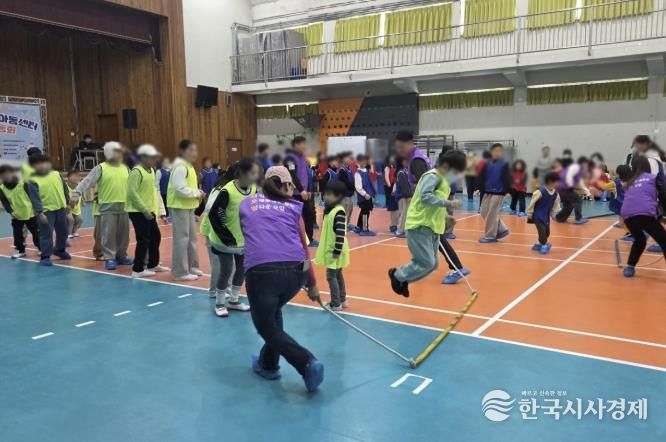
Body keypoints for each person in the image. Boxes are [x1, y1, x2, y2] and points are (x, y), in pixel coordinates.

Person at [239, 166, 324, 392]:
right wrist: (312, 284)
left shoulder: (247, 204)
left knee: (267, 326)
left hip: (262, 272)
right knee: (273, 313)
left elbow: (249, 234)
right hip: (296, 274)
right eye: (291, 186)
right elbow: (304, 250)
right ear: (286, 186)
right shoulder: (294, 208)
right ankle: (268, 364)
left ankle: (306, 363)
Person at [388, 150, 466, 297]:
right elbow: (425, 197)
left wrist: (446, 217)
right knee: (427, 262)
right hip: (419, 225)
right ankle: (398, 275)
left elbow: (435, 205)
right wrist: (449, 203)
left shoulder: (444, 182)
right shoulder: (432, 176)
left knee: (433, 264)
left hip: (433, 228)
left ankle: (404, 279)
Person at [201, 158, 258, 317]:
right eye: (252, 173)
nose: (255, 176)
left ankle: (234, 300)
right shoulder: (227, 191)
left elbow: (255, 212)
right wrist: (227, 237)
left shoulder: (253, 190)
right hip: (223, 238)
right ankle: (219, 304)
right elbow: (215, 214)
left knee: (241, 269)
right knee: (226, 270)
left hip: (242, 238)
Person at [72, 141, 132, 270]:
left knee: (124, 234)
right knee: (108, 234)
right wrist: (76, 193)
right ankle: (109, 257)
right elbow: (87, 182)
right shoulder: (100, 168)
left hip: (125, 206)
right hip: (107, 206)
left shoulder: (125, 168)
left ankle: (121, 255)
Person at [126, 144, 169, 279]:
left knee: (155, 237)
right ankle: (137, 270)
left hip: (149, 211)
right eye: (151, 157)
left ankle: (153, 264)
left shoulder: (151, 171)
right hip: (138, 211)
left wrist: (155, 210)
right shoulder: (136, 172)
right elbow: (132, 193)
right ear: (143, 157)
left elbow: (152, 192)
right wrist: (144, 210)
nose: (154, 160)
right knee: (143, 240)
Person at [620, 156, 666, 277]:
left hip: (627, 216)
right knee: (664, 241)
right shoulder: (653, 178)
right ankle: (630, 267)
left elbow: (636, 199)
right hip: (645, 214)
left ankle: (629, 268)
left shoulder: (629, 182)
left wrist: (658, 216)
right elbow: (663, 196)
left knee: (639, 240)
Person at [167, 139, 205, 281]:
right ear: (183, 152)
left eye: (195, 150)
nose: (195, 153)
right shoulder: (180, 167)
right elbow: (179, 189)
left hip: (188, 206)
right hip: (179, 207)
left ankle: (192, 266)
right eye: (191, 150)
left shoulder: (189, 166)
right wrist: (197, 193)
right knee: (181, 239)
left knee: (192, 238)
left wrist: (197, 193)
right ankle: (180, 271)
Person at [28, 155, 71, 266]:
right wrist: (40, 213)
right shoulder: (32, 180)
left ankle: (60, 250)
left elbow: (64, 188)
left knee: (63, 231)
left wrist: (67, 202)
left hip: (60, 208)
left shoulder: (56, 174)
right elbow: (34, 198)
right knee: (46, 234)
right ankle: (45, 256)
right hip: (46, 211)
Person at [314, 181, 350, 311]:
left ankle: (336, 303)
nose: (325, 197)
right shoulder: (331, 210)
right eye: (325, 194)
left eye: (329, 194)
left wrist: (336, 250)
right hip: (334, 250)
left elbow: (340, 233)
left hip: (334, 250)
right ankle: (342, 299)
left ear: (338, 196)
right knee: (338, 274)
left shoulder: (338, 212)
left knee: (331, 276)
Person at [0, 165, 39, 259]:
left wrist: (35, 209)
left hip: (30, 213)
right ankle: (21, 251)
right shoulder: (2, 188)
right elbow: (5, 201)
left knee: (36, 232)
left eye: (8, 173)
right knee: (17, 234)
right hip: (16, 215)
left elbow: (32, 196)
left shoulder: (23, 183)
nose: (6, 176)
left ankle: (40, 248)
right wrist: (11, 211)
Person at [284, 136, 317, 245]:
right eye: (303, 144)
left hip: (305, 193)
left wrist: (308, 189)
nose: (305, 146)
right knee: (295, 218)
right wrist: (301, 190)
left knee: (309, 215)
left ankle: (309, 239)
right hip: (295, 194)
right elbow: (292, 175)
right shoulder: (290, 158)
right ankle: (296, 240)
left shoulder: (303, 157)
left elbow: (307, 174)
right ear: (296, 145)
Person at [478, 143, 512, 243]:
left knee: (492, 214)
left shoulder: (504, 164)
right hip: (487, 191)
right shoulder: (487, 163)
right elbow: (482, 177)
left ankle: (490, 236)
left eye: (500, 151)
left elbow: (508, 178)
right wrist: (478, 188)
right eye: (496, 151)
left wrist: (508, 191)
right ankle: (502, 229)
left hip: (499, 192)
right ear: (491, 152)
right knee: (483, 211)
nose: (498, 153)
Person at [526, 172, 561, 255]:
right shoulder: (540, 192)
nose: (558, 183)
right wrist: (530, 213)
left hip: (546, 216)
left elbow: (555, 206)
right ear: (550, 181)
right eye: (556, 181)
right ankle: (544, 245)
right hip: (538, 216)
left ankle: (539, 243)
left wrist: (554, 215)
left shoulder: (555, 194)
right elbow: (532, 203)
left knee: (547, 232)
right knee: (542, 232)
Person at [554, 156, 591, 225]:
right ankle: (578, 218)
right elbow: (569, 176)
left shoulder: (578, 170)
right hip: (565, 188)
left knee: (569, 204)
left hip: (561, 188)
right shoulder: (575, 167)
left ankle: (560, 218)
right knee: (578, 200)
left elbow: (579, 182)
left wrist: (586, 191)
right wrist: (570, 186)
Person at [354, 154, 376, 236]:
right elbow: (358, 187)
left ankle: (359, 226)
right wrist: (365, 194)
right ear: (358, 162)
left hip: (368, 195)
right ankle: (364, 228)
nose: (364, 162)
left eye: (365, 161)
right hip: (364, 197)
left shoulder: (366, 171)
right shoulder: (358, 173)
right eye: (362, 161)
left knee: (364, 211)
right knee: (365, 212)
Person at [394, 157, 412, 238]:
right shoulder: (401, 173)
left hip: (406, 196)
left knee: (406, 214)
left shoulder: (406, 171)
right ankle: (400, 230)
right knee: (403, 214)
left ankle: (403, 229)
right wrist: (408, 195)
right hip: (403, 197)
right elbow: (404, 186)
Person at [337, 151, 356, 226]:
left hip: (349, 194)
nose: (350, 159)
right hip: (344, 195)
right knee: (345, 210)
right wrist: (353, 187)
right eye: (348, 158)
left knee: (349, 210)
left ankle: (346, 224)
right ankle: (342, 225)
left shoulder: (349, 169)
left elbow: (351, 180)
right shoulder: (342, 170)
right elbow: (345, 182)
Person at [66, 171, 83, 239]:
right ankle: (69, 233)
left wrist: (83, 200)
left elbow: (81, 193)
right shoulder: (66, 187)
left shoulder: (79, 186)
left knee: (80, 219)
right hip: (67, 207)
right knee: (71, 219)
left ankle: (74, 232)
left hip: (76, 208)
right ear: (69, 178)